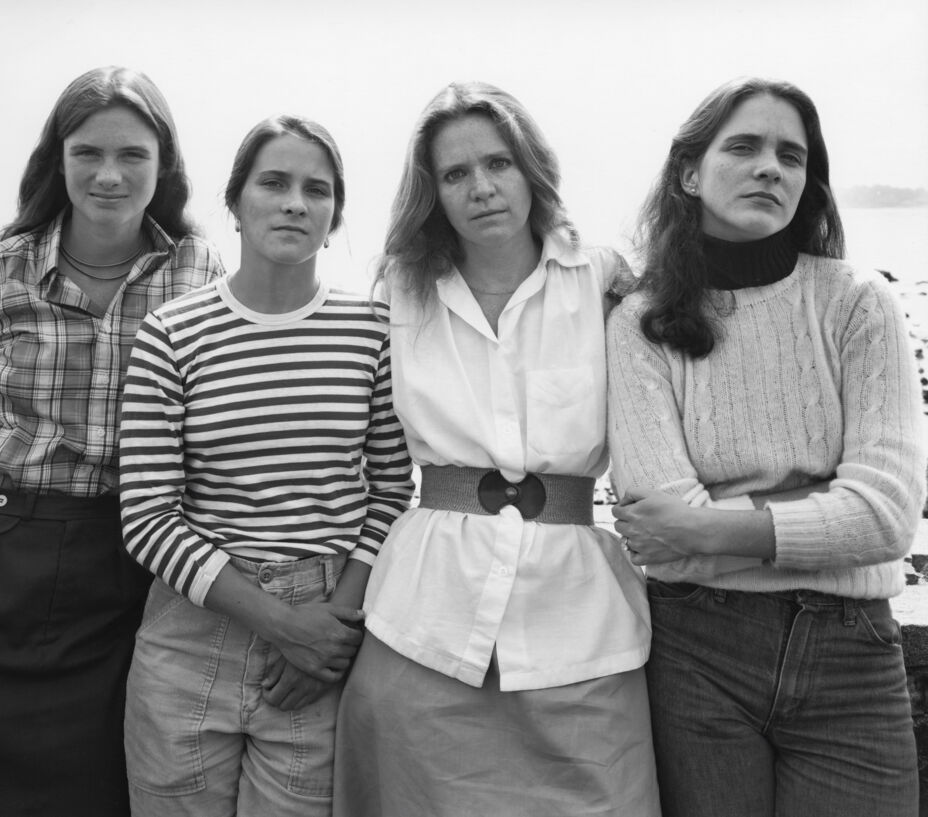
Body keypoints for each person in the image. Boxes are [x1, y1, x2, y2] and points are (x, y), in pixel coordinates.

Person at [333, 81, 660, 816]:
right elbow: (363, 451)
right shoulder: (399, 294)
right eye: (455, 174)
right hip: (425, 621)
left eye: (498, 163)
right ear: (434, 194)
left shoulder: (603, 280)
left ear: (530, 170)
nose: (481, 187)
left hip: (579, 626)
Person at [0, 66, 223, 816]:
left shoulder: (202, 275)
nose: (108, 175)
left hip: (123, 571)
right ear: (58, 158)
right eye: (87, 153)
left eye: (132, 155)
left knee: (101, 787)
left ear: (164, 166)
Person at [607, 77, 925, 817]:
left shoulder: (857, 302)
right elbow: (659, 528)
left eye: (792, 155)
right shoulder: (642, 322)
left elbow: (887, 516)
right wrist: (817, 505)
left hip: (852, 653)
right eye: (744, 146)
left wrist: (713, 523)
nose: (770, 168)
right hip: (697, 648)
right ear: (689, 172)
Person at [118, 114, 413, 817]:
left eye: (317, 190)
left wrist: (332, 629)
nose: (294, 202)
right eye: (274, 182)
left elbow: (394, 490)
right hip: (194, 633)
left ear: (334, 215)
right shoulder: (172, 333)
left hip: (325, 626)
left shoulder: (371, 330)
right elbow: (147, 516)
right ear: (236, 203)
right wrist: (284, 624)